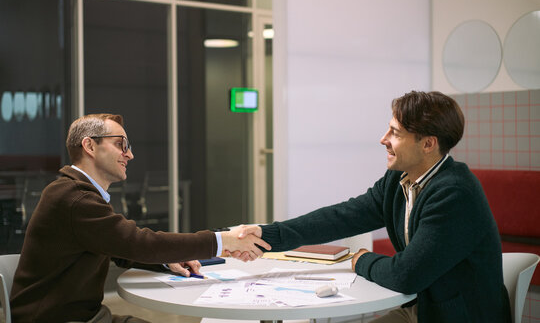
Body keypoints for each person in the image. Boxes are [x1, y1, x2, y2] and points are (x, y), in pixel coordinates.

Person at [236, 91, 511, 323]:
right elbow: (341, 217)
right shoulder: (399, 179)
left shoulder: (454, 193)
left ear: (428, 144)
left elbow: (405, 275)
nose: (383, 139)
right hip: (422, 307)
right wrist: (266, 235)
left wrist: (361, 260)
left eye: (396, 133)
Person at [10, 113, 271, 323]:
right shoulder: (75, 198)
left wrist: (169, 261)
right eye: (120, 144)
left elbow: (119, 248)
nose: (130, 154)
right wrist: (221, 240)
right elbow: (138, 242)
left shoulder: (76, 192)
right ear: (90, 145)